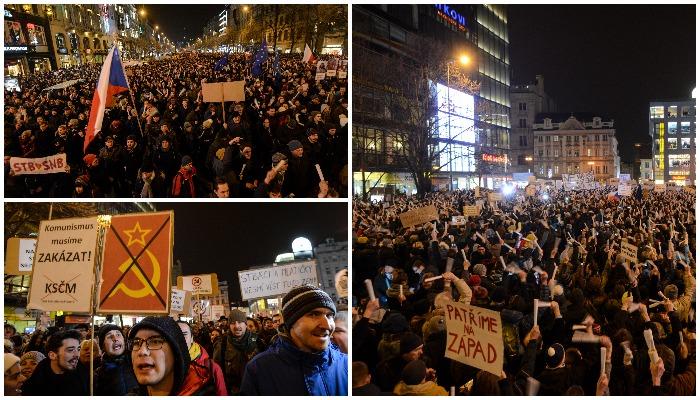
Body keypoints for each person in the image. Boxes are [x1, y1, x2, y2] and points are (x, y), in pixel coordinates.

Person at [240, 284, 348, 395]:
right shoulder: (259, 370)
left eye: (329, 315)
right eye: (314, 314)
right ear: (291, 321)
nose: (327, 325)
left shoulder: (345, 364)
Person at [21, 329, 89, 395]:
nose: (77, 355)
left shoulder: (84, 376)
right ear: (52, 355)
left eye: (78, 349)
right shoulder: (34, 385)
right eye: (70, 350)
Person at [213, 309, 259, 394]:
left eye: (240, 322)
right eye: (233, 323)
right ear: (229, 325)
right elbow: (218, 375)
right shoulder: (222, 345)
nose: (237, 326)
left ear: (245, 324)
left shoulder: (258, 342)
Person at [176, 321, 227, 395]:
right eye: (176, 335)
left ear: (191, 338)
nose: (180, 339)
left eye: (184, 334)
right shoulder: (162, 367)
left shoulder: (212, 368)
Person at [95, 324, 139, 395]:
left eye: (118, 334)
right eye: (109, 336)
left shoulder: (137, 363)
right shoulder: (98, 375)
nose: (115, 338)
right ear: (103, 346)